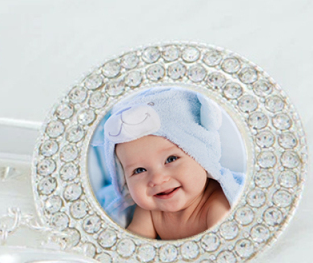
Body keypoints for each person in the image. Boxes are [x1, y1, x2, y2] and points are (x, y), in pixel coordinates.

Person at [99, 87, 244, 241]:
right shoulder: (150, 211)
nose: (157, 179)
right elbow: (132, 247)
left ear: (201, 156)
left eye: (170, 159)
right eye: (139, 170)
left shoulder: (217, 205)